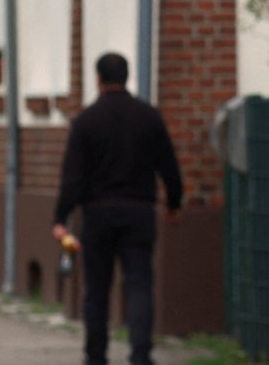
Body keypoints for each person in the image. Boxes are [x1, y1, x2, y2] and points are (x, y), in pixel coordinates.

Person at [52, 53, 185, 365]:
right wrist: (174, 204)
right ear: (127, 77)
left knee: (96, 289)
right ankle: (141, 354)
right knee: (139, 284)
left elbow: (73, 176)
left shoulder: (86, 121)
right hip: (139, 212)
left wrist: (61, 217)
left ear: (98, 79)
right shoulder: (149, 117)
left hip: (98, 213)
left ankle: (96, 355)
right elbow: (169, 166)